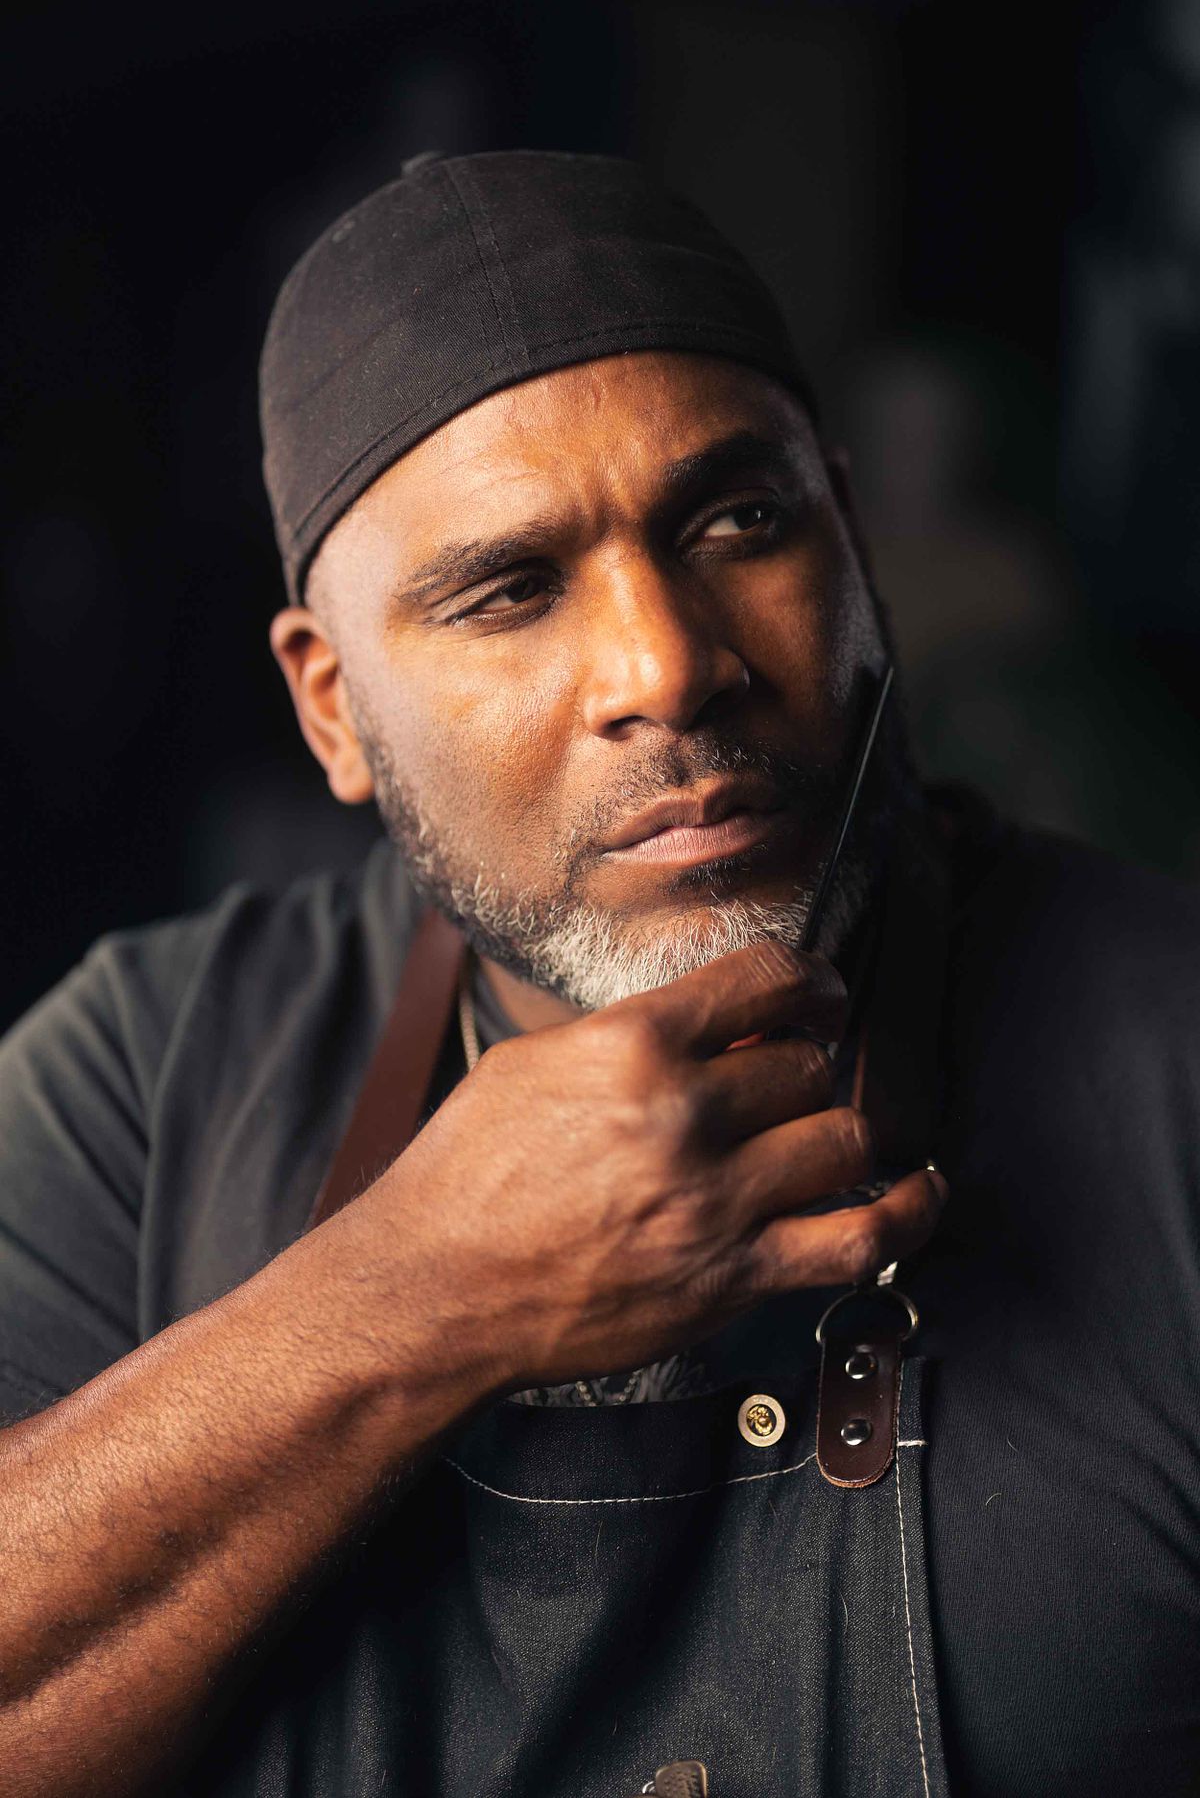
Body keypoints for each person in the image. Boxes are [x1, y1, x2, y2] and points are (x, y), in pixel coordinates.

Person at [0, 152, 1196, 1798]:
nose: (668, 665)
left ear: (853, 538)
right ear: (333, 708)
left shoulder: (1172, 1065)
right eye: (511, 591)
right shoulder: (140, 1082)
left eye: (739, 522)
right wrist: (418, 1295)